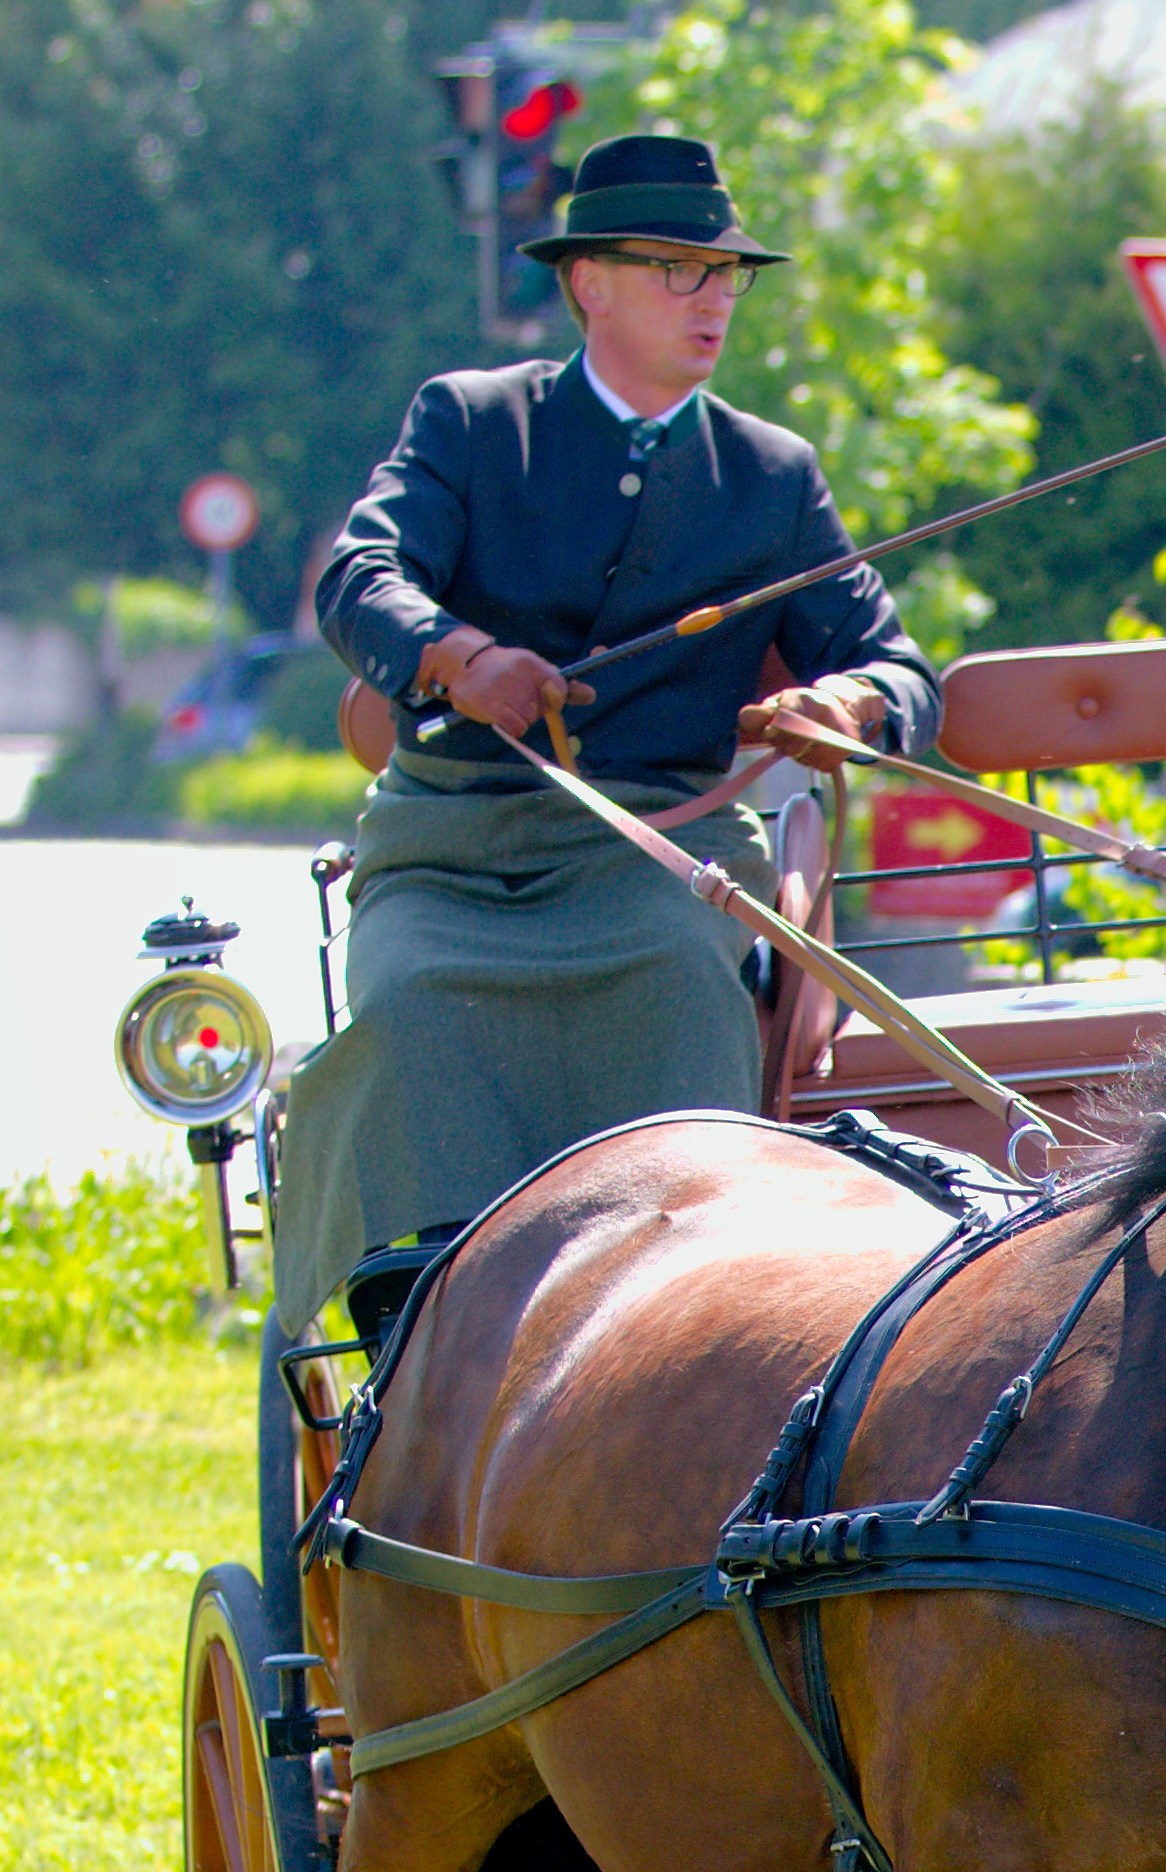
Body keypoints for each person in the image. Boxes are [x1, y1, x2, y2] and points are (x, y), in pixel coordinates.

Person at [281, 130, 942, 1341]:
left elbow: (897, 666)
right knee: (408, 1002)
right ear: (589, 283)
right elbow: (358, 575)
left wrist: (845, 706)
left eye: (730, 275)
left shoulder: (770, 474)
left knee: (686, 976)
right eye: (677, 271)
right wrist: (460, 657)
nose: (715, 300)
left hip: (661, 856)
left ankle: (686, 1316)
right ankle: (415, 1318)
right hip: (451, 851)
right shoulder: (473, 423)